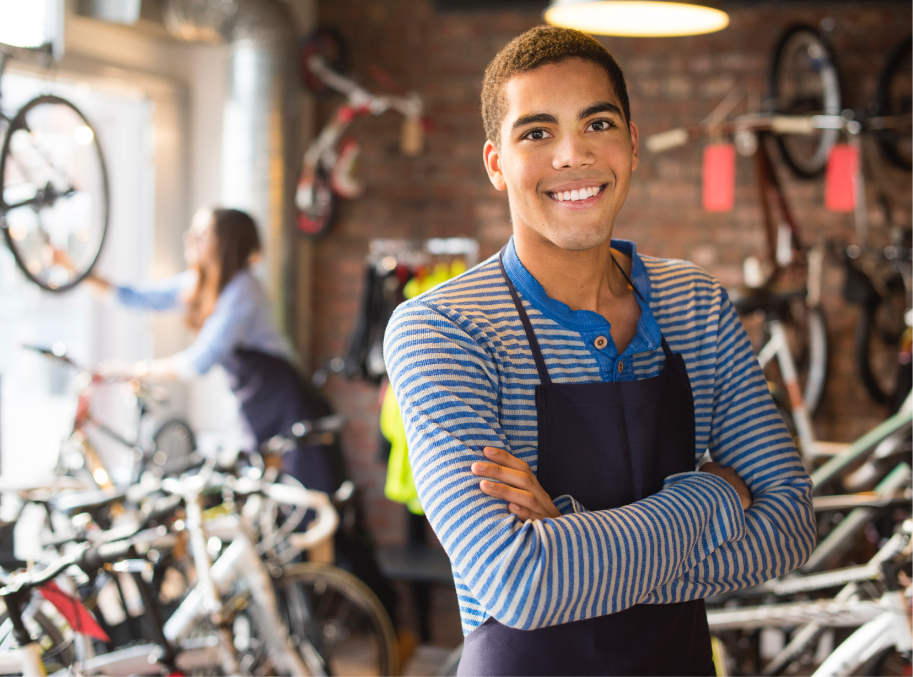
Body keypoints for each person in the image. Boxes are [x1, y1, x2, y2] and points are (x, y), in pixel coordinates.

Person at [383, 26, 816, 677]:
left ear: (632, 145)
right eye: (535, 132)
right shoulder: (443, 329)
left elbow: (786, 527)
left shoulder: (693, 304)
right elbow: (519, 583)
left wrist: (568, 534)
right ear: (496, 163)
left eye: (597, 123)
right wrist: (714, 497)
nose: (571, 154)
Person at [87, 206, 343, 494]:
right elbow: (136, 297)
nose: (190, 238)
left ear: (227, 243)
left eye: (203, 233)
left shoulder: (243, 290)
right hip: (256, 404)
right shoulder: (204, 285)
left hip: (284, 403)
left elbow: (198, 362)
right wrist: (78, 273)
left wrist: (133, 371)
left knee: (306, 499)